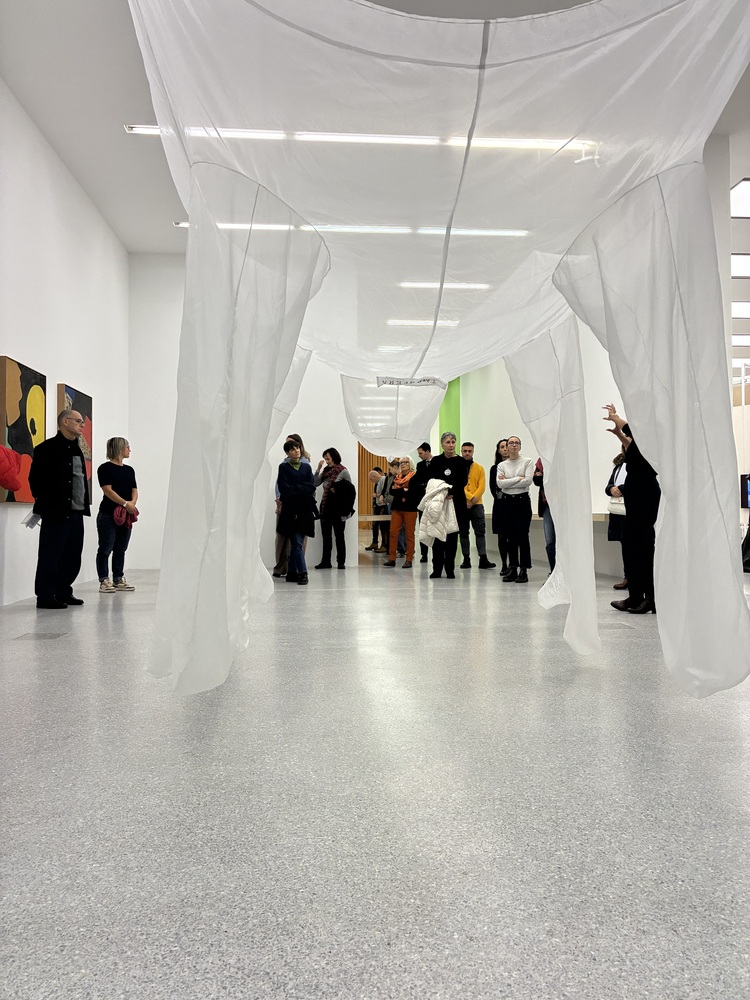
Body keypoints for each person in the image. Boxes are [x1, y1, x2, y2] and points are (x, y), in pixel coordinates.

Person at [28, 409, 91, 609]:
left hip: (76, 511)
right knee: (50, 555)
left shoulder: (77, 449)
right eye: (78, 421)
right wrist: (47, 503)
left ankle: (63, 591)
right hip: (56, 512)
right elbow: (35, 480)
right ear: (65, 422)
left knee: (72, 555)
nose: (82, 424)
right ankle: (45, 596)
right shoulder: (46, 449)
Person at [603, 404, 660, 614]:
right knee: (631, 546)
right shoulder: (639, 443)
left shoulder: (650, 436)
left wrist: (616, 418)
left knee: (644, 548)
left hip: (645, 494)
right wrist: (619, 434)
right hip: (637, 495)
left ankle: (651, 598)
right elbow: (631, 444)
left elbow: (631, 430)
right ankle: (635, 596)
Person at [96, 437, 138, 593]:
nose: (129, 450)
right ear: (120, 448)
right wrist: (126, 504)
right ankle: (104, 580)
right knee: (105, 548)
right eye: (127, 447)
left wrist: (132, 503)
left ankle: (118, 578)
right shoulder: (105, 468)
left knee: (121, 548)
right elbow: (108, 490)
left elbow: (134, 489)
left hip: (125, 515)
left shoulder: (129, 470)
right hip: (108, 514)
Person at [426, 431, 469, 579]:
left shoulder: (461, 462)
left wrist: (450, 492)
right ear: (442, 444)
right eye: (448, 442)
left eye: (453, 442)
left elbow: (463, 481)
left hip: (456, 502)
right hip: (439, 502)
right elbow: (432, 480)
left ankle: (450, 569)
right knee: (438, 536)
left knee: (452, 537)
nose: (451, 445)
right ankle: (437, 569)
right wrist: (442, 493)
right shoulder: (436, 461)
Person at [277, 439, 316, 585]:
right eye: (293, 449)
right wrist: (302, 489)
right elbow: (284, 489)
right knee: (297, 542)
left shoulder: (306, 467)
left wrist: (295, 489)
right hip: (291, 511)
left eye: (297, 448)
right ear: (287, 453)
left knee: (296, 543)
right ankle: (303, 573)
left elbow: (311, 487)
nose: (297, 451)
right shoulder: (283, 467)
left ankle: (292, 572)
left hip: (305, 510)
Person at [496, 436, 534, 583]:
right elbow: (500, 484)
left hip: (522, 501)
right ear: (507, 446)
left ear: (520, 446)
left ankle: (524, 569)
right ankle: (512, 567)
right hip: (507, 502)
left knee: (523, 536)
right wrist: (518, 478)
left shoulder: (527, 461)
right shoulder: (502, 465)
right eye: (510, 443)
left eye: (516, 443)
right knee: (510, 536)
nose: (513, 445)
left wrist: (508, 481)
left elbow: (528, 481)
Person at [314, 447, 353, 569]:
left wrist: (337, 490)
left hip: (338, 508)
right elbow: (315, 483)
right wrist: (318, 469)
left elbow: (350, 491)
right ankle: (326, 561)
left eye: (328, 458)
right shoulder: (326, 471)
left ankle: (341, 562)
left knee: (339, 536)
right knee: (326, 536)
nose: (326, 461)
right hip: (326, 507)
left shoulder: (343, 471)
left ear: (334, 457)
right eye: (325, 459)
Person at [459, 442, 495, 570]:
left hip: (477, 505)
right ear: (461, 452)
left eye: (469, 451)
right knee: (463, 533)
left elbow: (482, 487)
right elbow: (458, 486)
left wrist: (473, 500)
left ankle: (483, 559)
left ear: (473, 452)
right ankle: (466, 559)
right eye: (465, 451)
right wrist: (469, 498)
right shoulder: (457, 468)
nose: (467, 453)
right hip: (462, 505)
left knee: (480, 532)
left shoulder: (479, 468)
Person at [384, 455, 419, 569]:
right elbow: (391, 491)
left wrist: (400, 490)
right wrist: (404, 490)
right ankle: (392, 558)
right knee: (393, 532)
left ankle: (409, 559)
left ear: (410, 464)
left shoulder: (414, 477)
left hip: (410, 508)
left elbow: (413, 493)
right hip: (397, 508)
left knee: (409, 534)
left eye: (405, 462)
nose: (403, 464)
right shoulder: (397, 477)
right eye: (401, 462)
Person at [605, 448, 628, 590]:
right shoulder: (619, 464)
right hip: (619, 510)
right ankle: (628, 577)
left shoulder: (641, 462)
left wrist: (621, 489)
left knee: (635, 545)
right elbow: (608, 485)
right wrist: (611, 489)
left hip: (633, 509)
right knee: (625, 544)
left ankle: (639, 578)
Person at [489, 439, 510, 575]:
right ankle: (504, 564)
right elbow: (493, 488)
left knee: (513, 536)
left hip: (514, 504)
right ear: (498, 450)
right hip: (500, 505)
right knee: (502, 537)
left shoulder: (517, 466)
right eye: (502, 447)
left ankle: (514, 564)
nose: (505, 449)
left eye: (506, 446)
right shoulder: (494, 469)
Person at [533, 458, 556, 573]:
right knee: (550, 540)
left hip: (563, 504)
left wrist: (544, 475)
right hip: (546, 504)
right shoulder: (541, 460)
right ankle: (553, 571)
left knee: (563, 540)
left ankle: (564, 572)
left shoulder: (563, 457)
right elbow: (536, 480)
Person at [414, 442, 432, 563]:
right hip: (422, 499)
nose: (419, 455)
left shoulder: (437, 462)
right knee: (423, 527)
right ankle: (424, 554)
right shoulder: (420, 465)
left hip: (434, 499)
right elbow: (418, 480)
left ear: (427, 451)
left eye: (420, 453)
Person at [364, 467, 386, 553]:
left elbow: (384, 493)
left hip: (383, 506)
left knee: (383, 526)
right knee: (375, 525)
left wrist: (376, 495)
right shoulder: (378, 482)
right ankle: (375, 542)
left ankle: (384, 545)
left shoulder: (383, 480)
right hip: (377, 505)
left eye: (371, 479)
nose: (371, 481)